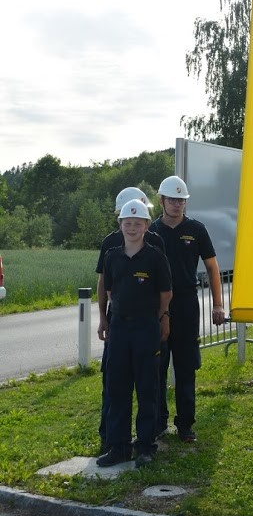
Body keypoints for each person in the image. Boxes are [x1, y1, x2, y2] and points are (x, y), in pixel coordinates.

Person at [97, 199, 172, 468]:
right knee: (117, 388)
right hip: (119, 327)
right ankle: (118, 447)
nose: (131, 227)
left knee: (147, 387)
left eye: (137, 223)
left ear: (146, 226)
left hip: (146, 327)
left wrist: (163, 317)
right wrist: (104, 319)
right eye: (127, 223)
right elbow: (108, 291)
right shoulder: (112, 257)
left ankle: (145, 446)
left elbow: (166, 293)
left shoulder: (155, 256)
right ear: (120, 226)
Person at [150, 175, 225, 442]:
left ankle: (185, 425)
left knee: (185, 367)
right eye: (172, 199)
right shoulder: (152, 232)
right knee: (157, 366)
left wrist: (218, 304)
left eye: (181, 200)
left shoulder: (196, 229)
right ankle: (158, 422)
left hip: (186, 304)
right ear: (162, 201)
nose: (177, 204)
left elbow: (212, 267)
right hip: (157, 306)